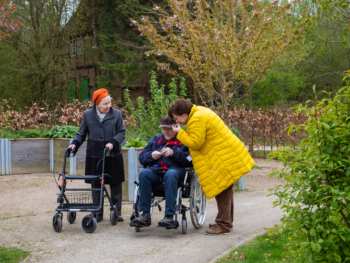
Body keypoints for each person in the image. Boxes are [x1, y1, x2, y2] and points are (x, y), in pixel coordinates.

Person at [169, 98, 254, 235]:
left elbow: (196, 143)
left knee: (222, 191)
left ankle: (224, 225)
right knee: (225, 190)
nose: (177, 121)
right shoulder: (199, 112)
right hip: (224, 155)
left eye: (177, 117)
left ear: (184, 113)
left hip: (223, 157)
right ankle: (224, 221)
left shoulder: (196, 118)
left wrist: (180, 132)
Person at [68, 88, 126, 222]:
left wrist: (113, 142)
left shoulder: (117, 114)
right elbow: (81, 133)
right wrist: (74, 144)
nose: (108, 106)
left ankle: (116, 212)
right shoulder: (88, 115)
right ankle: (97, 213)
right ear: (97, 104)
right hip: (94, 155)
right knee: (96, 185)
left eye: (109, 102)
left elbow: (122, 132)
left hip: (112, 154)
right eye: (105, 104)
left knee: (115, 184)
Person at [129, 115, 192, 228]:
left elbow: (190, 160)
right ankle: (145, 215)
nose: (166, 132)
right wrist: (151, 156)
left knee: (171, 173)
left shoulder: (184, 140)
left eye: (169, 129)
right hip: (157, 173)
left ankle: (169, 216)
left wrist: (174, 153)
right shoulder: (155, 140)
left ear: (176, 126)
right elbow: (142, 158)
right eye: (164, 129)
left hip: (175, 174)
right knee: (144, 173)